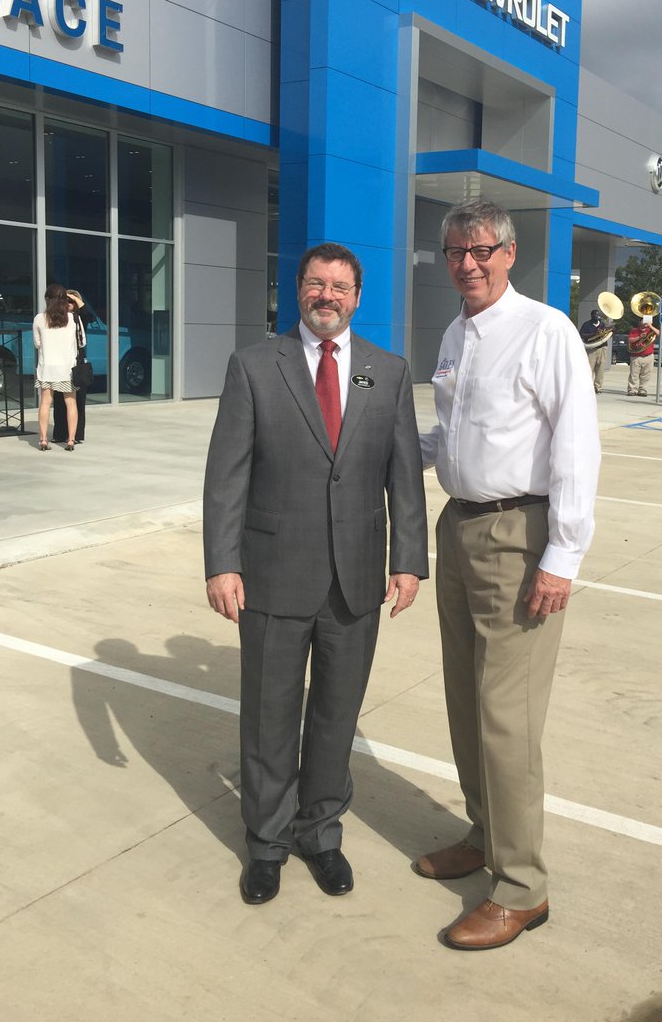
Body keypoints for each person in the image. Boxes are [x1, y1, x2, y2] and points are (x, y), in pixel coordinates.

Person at [203, 242, 428, 907]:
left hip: (355, 581)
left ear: (358, 297)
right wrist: (222, 563)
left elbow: (403, 476)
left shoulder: (386, 373)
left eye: (339, 286)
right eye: (314, 284)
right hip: (271, 575)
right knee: (270, 715)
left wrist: (408, 560)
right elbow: (226, 476)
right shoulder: (253, 367)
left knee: (336, 715)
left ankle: (320, 832)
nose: (326, 296)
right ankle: (267, 843)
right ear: (296, 290)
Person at [414, 199, 600, 951]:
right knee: (465, 698)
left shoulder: (545, 330)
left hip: (517, 534)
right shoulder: (458, 332)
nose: (468, 263)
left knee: (507, 715)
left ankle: (523, 888)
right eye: (457, 251)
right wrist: (385, 448)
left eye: (482, 250)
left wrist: (562, 555)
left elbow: (577, 446)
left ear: (509, 254)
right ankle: (485, 834)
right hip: (457, 527)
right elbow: (451, 432)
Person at [32, 283, 78, 451]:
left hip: (47, 368)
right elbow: (78, 342)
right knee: (71, 403)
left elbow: (37, 344)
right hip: (67, 368)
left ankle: (43, 440)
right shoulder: (72, 319)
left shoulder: (39, 319)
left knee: (45, 403)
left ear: (47, 299)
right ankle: (71, 440)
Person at [53, 290, 92, 444]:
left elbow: (89, 315)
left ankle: (75, 434)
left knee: (78, 401)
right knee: (59, 400)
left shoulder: (80, 318)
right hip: (61, 362)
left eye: (71, 302)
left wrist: (76, 299)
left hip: (78, 363)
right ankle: (60, 433)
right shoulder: (59, 318)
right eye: (65, 301)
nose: (68, 304)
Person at [626, 316, 659, 396]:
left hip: (648, 355)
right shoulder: (635, 330)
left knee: (646, 374)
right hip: (636, 356)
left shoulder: (651, 330)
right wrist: (640, 337)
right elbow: (630, 340)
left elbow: (659, 333)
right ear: (640, 322)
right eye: (644, 321)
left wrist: (650, 326)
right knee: (634, 374)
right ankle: (632, 389)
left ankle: (643, 390)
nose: (645, 323)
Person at [578, 309, 608, 392]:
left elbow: (608, 334)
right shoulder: (587, 324)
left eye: (598, 315)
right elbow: (582, 334)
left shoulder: (602, 324)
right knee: (589, 368)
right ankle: (588, 387)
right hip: (592, 348)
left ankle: (597, 387)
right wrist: (594, 334)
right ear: (592, 316)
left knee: (600, 369)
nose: (597, 316)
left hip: (602, 347)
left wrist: (613, 330)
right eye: (595, 315)